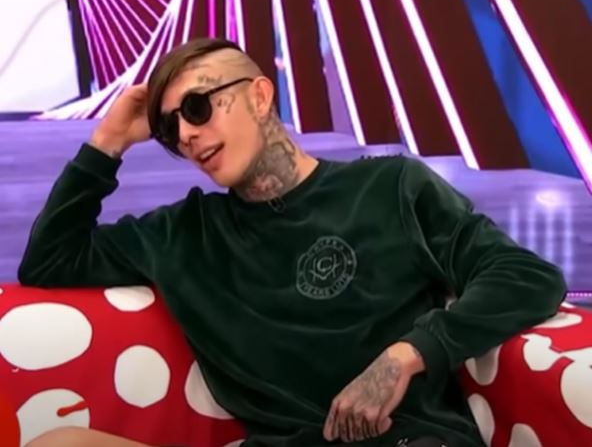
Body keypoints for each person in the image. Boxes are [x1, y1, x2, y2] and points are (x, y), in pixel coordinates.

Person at [19, 38, 566, 447]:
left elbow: (526, 277)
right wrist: (109, 140)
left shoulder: (390, 187)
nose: (185, 134)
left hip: (405, 439)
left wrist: (409, 354)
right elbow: (50, 259)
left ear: (260, 96)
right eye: (169, 130)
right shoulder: (182, 234)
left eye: (197, 107)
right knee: (60, 444)